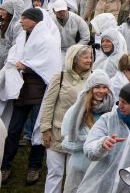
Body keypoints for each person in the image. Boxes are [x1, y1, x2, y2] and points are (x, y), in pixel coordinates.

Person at [1, 8, 62, 185]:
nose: (21, 21)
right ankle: (5, 165)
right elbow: (14, 56)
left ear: (34, 20)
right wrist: (16, 65)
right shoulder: (22, 37)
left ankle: (34, 167)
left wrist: (26, 65)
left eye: (25, 18)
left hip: (39, 93)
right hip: (21, 92)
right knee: (13, 130)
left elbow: (49, 65)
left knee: (39, 130)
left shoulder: (48, 40)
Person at [76, 79, 130, 193]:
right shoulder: (107, 119)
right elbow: (88, 150)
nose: (119, 105)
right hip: (94, 189)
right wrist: (101, 144)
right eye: (120, 100)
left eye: (125, 102)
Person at [38, 44, 93, 193]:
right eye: (85, 57)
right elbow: (48, 105)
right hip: (56, 133)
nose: (89, 60)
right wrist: (45, 129)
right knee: (55, 173)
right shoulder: (60, 77)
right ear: (74, 59)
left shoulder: (93, 79)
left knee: (73, 176)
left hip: (78, 136)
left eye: (90, 57)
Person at [60, 70, 114, 193]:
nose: (101, 91)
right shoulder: (75, 111)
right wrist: (93, 141)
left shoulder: (113, 112)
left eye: (105, 87)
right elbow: (66, 144)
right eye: (97, 87)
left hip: (101, 170)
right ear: (90, 89)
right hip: (78, 169)